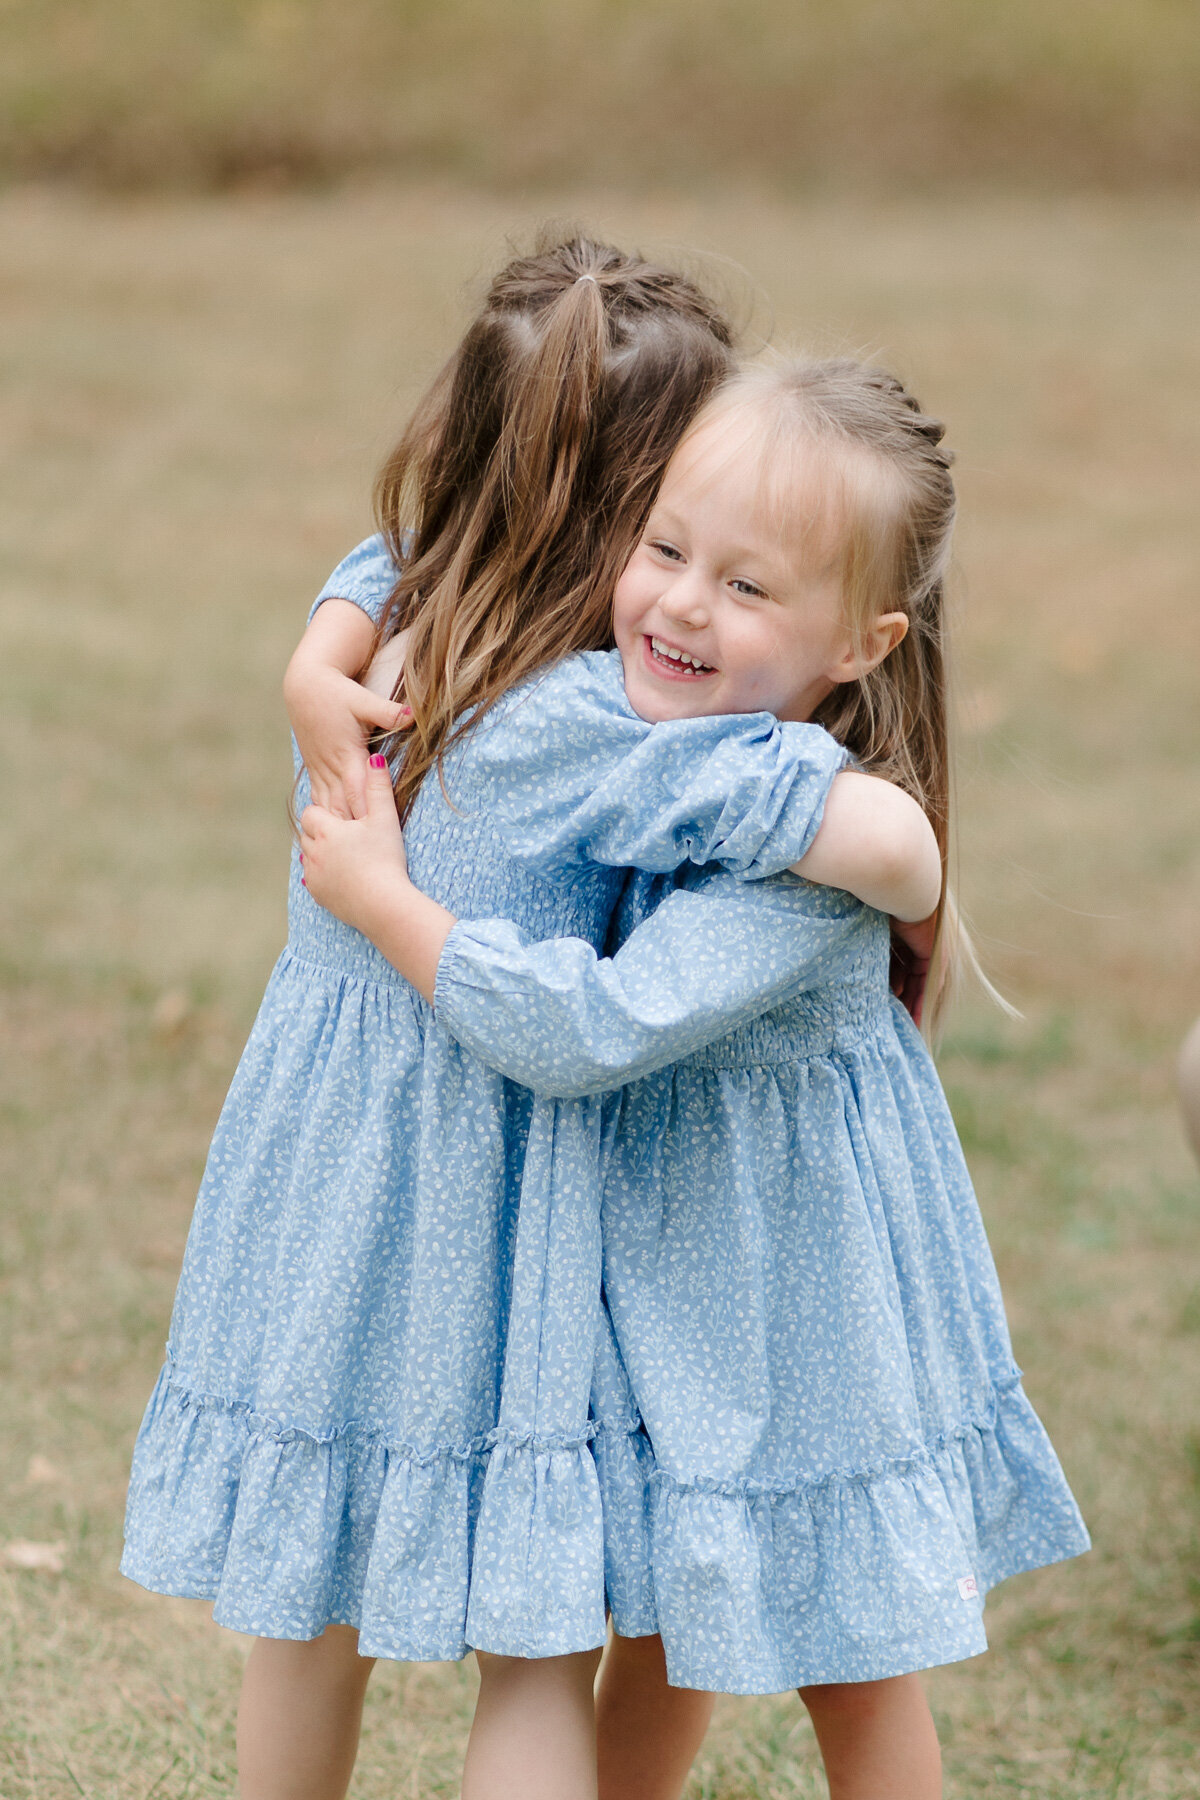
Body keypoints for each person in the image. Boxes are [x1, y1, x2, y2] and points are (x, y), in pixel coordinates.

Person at [122, 239, 938, 1800]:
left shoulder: (417, 632)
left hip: (325, 1165)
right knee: (537, 1645)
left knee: (311, 1604)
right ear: (634, 506)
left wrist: (319, 641)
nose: (694, 588)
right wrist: (905, 851)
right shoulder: (601, 727)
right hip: (492, 1199)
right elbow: (862, 835)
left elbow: (396, 541)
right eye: (680, 529)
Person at [300, 355, 1091, 1800]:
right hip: (661, 1258)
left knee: (852, 1660)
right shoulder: (635, 724)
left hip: (795, 1292)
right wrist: (339, 639)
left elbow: (587, 1028)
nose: (678, 602)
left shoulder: (803, 845)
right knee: (664, 1598)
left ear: (863, 639)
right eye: (664, 549)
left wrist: (384, 902)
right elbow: (456, 550)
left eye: (748, 587)